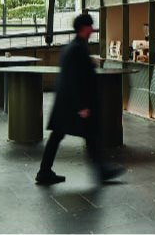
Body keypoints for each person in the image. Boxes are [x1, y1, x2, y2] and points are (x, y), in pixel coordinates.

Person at [36, 14, 125, 186]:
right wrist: (82, 105)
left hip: (66, 105)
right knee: (88, 135)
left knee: (64, 136)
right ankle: (100, 172)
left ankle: (45, 171)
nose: (92, 29)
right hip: (73, 105)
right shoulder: (78, 49)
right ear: (84, 28)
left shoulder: (73, 47)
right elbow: (75, 80)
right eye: (90, 26)